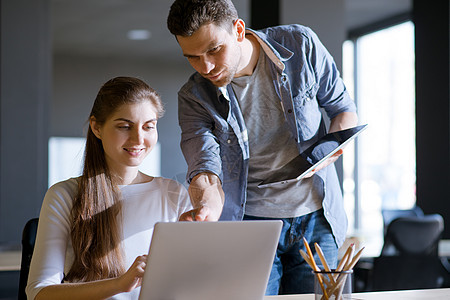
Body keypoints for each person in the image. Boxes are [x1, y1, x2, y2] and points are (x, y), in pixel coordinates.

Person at [167, 0, 358, 295]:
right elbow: (205, 166)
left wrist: (329, 151)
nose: (205, 67)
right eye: (192, 57)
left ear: (239, 30)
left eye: (214, 50)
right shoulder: (194, 97)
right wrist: (205, 206)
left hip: (317, 219)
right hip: (250, 226)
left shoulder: (300, 44)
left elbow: (342, 109)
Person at [26, 77, 192, 299]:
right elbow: (39, 293)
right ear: (96, 127)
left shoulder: (174, 194)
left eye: (148, 126)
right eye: (124, 126)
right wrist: (120, 284)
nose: (138, 138)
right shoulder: (64, 195)